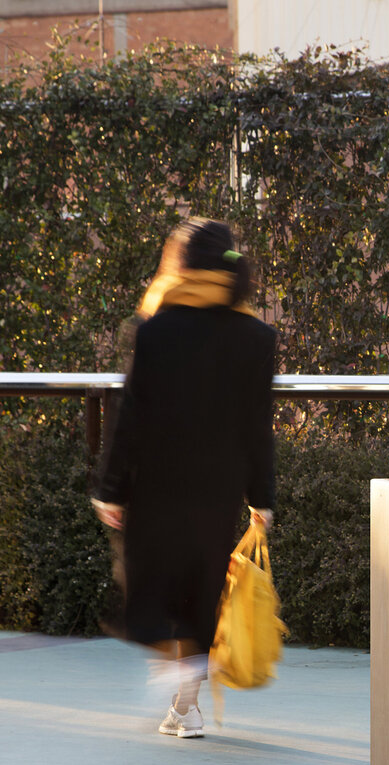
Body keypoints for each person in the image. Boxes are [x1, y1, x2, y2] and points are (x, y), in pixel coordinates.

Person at [93, 217, 276, 738]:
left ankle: (179, 668)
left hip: (158, 483)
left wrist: (112, 488)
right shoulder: (256, 337)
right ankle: (186, 704)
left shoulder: (156, 329)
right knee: (202, 587)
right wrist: (261, 498)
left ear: (183, 263)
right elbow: (257, 426)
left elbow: (131, 415)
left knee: (149, 589)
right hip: (218, 488)